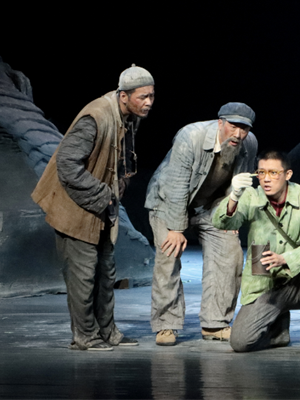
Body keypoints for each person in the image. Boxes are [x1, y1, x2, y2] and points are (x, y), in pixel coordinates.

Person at [31, 64, 155, 351]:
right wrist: (104, 194)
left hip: (100, 209)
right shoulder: (96, 118)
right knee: (83, 277)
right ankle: (85, 336)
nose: (148, 102)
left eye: (151, 96)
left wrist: (118, 186)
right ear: (124, 96)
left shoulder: (127, 118)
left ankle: (107, 331)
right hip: (75, 207)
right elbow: (67, 164)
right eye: (143, 97)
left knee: (105, 273)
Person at [145, 102, 258, 346]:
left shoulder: (250, 144)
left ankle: (215, 323)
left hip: (210, 205)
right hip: (168, 201)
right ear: (220, 123)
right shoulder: (191, 136)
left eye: (244, 129)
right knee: (168, 255)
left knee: (229, 252)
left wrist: (231, 215)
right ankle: (166, 324)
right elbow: (177, 184)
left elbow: (240, 185)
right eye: (233, 126)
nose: (238, 134)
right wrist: (176, 228)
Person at [212, 150, 300, 354]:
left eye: (273, 173)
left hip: (297, 281)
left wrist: (286, 258)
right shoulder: (251, 196)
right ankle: (278, 332)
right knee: (240, 343)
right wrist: (234, 196)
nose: (266, 179)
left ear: (288, 174)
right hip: (264, 281)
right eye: (261, 172)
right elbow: (222, 223)